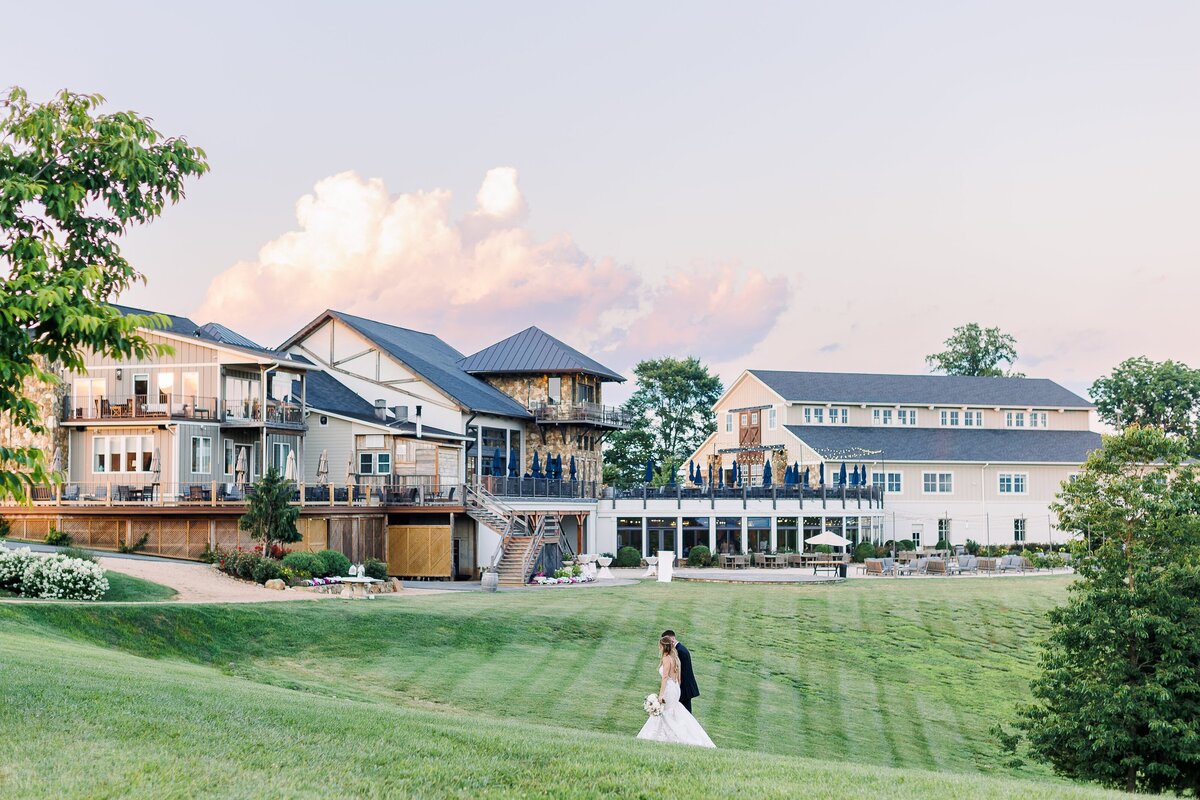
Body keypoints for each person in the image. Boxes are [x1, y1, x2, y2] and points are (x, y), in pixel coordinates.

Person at [636, 635, 715, 748]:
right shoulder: (675, 658)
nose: (659, 648)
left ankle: (670, 736)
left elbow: (664, 678)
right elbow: (678, 678)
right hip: (675, 687)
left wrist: (661, 695)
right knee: (673, 711)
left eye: (660, 646)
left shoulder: (667, 658)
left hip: (669, 687)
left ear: (663, 646)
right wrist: (675, 689)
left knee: (665, 711)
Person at [662, 629, 699, 713]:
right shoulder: (680, 649)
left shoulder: (680, 651)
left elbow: (680, 671)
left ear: (672, 639)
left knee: (685, 712)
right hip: (684, 686)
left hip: (684, 687)